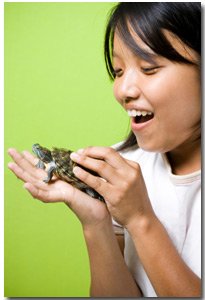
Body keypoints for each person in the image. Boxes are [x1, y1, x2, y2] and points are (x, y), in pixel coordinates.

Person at [8, 2, 201, 297]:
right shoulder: (123, 169)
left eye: (148, 68)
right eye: (118, 71)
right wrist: (95, 222)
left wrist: (140, 218)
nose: (123, 91)